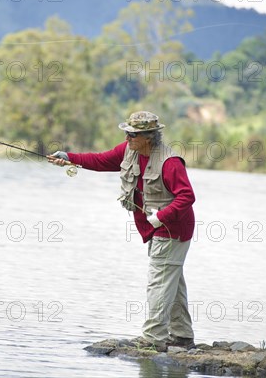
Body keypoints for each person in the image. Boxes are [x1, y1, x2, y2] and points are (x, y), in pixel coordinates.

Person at [47, 111, 196, 352]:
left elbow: (187, 196)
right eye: (127, 133)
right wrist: (69, 157)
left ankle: (154, 338)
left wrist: (160, 217)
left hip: (172, 229)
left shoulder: (170, 162)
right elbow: (100, 160)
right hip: (157, 228)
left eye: (133, 134)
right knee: (171, 280)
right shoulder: (129, 150)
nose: (128, 137)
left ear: (149, 137)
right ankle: (182, 336)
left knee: (159, 280)